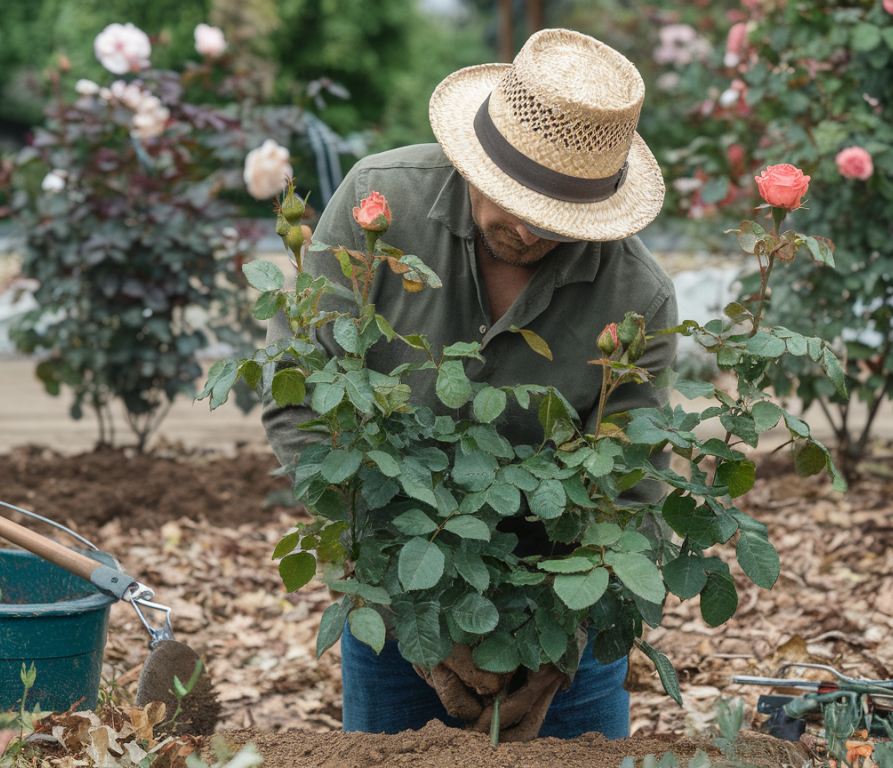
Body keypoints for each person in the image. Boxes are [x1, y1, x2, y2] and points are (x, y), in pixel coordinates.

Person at [262, 28, 678, 741]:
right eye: (514, 198)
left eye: (555, 219)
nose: (527, 230)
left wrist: (558, 652)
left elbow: (628, 492)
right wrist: (411, 613)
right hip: (395, 579)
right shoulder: (377, 205)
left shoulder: (637, 296)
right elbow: (298, 398)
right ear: (473, 158)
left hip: (559, 607)